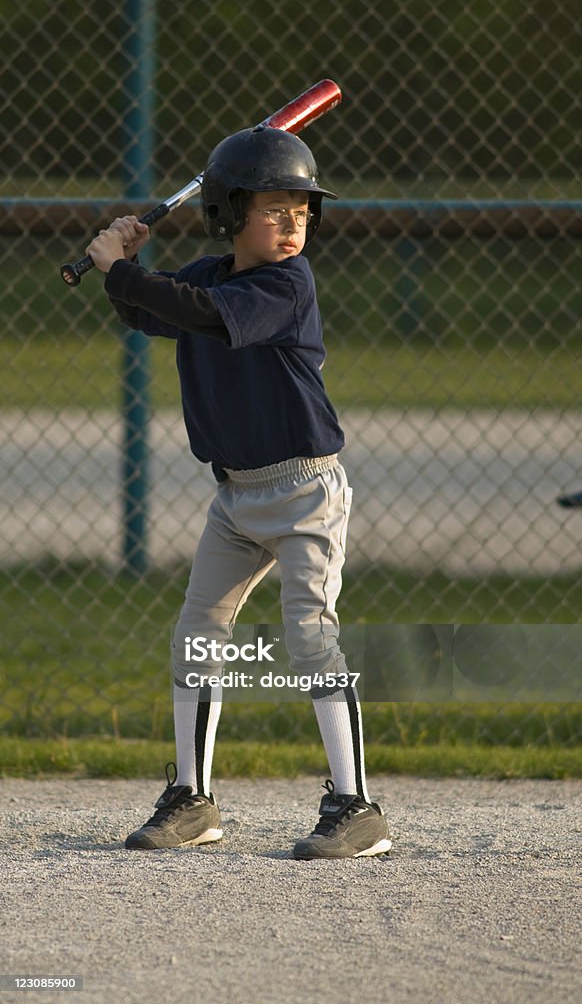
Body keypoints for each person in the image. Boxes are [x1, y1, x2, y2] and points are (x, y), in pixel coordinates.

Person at [86, 125, 391, 860]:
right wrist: (120, 263)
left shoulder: (287, 285)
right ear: (228, 214)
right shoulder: (207, 275)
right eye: (274, 209)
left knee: (311, 637)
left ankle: (357, 807)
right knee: (197, 633)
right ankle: (193, 800)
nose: (294, 224)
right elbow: (148, 309)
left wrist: (118, 271)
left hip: (304, 492)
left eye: (302, 210)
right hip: (235, 498)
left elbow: (206, 316)